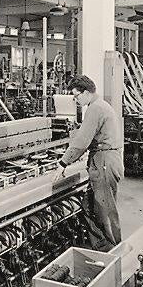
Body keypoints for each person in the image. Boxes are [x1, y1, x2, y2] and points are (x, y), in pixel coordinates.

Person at [52, 75, 124, 251]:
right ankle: (101, 247)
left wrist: (63, 163)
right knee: (89, 206)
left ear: (85, 92)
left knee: (104, 211)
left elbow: (82, 140)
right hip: (105, 160)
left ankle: (111, 252)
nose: (76, 100)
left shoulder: (95, 109)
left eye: (76, 96)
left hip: (104, 162)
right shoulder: (101, 105)